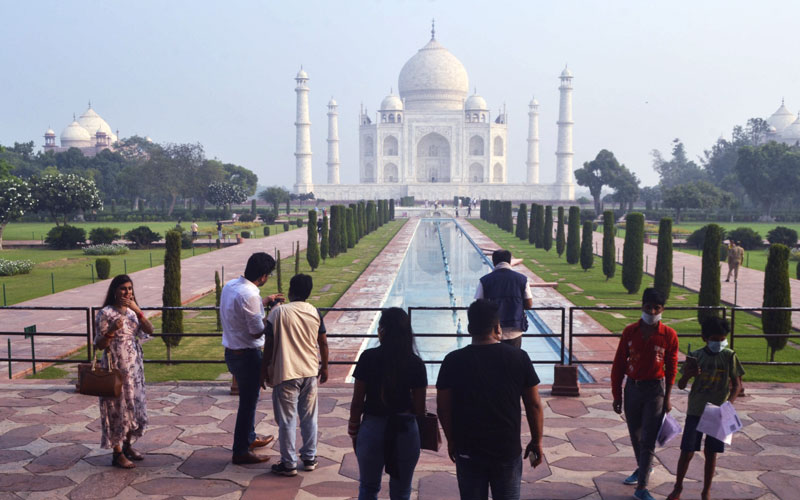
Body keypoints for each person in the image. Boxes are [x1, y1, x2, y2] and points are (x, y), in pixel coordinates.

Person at [437, 299, 544, 500]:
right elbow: (534, 404)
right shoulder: (518, 357)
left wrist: (452, 440)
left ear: (469, 328)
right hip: (506, 448)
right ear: (497, 328)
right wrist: (536, 440)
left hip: (468, 448)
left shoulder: (453, 360)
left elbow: (443, 408)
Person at [348, 308, 427, 500]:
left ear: (382, 330)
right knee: (401, 491)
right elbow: (419, 408)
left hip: (373, 427)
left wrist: (354, 429)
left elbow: (357, 402)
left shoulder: (368, 358)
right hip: (405, 428)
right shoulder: (415, 363)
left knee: (368, 487)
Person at [611, 288, 679, 500]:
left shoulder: (668, 335)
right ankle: (643, 467)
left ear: (662, 309)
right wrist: (617, 395)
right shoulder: (630, 332)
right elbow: (619, 364)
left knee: (648, 437)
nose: (651, 311)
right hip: (633, 388)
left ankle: (642, 487)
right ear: (642, 306)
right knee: (636, 433)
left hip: (655, 390)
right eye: (648, 307)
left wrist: (667, 398)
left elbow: (671, 368)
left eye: (656, 308)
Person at [667, 317, 744, 500]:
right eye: (714, 339)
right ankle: (678, 487)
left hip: (718, 411)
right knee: (687, 451)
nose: (718, 343)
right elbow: (681, 384)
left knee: (711, 453)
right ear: (705, 338)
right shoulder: (696, 356)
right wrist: (689, 375)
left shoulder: (729, 356)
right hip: (696, 410)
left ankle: (706, 491)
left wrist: (729, 404)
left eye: (721, 339)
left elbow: (737, 385)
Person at [261, 273, 329, 477]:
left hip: (287, 372)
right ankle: (309, 458)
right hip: (309, 371)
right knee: (309, 418)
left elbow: (269, 344)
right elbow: (323, 342)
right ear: (308, 292)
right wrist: (324, 366)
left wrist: (264, 369)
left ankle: (288, 463)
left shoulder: (278, 312)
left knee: (287, 420)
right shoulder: (314, 311)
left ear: (290, 291)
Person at [221, 252, 282, 465]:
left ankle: (249, 438)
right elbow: (257, 331)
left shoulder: (230, 286)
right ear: (264, 276)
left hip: (232, 351)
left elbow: (242, 309)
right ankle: (240, 451)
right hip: (247, 355)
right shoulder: (250, 295)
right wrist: (273, 311)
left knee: (249, 400)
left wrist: (265, 301)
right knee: (248, 403)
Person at [94, 274, 154, 469]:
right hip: (115, 366)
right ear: (114, 291)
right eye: (123, 288)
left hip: (134, 367)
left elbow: (150, 330)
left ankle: (128, 445)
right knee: (116, 408)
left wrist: (138, 310)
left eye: (130, 288)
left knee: (133, 406)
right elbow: (99, 345)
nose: (127, 292)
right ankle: (117, 452)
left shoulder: (132, 312)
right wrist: (111, 330)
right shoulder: (105, 313)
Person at [474, 249, 534, 349]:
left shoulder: (485, 280)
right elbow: (529, 304)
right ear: (509, 261)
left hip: (492, 331)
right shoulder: (522, 279)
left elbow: (479, 305)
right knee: (513, 361)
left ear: (494, 262)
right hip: (515, 330)